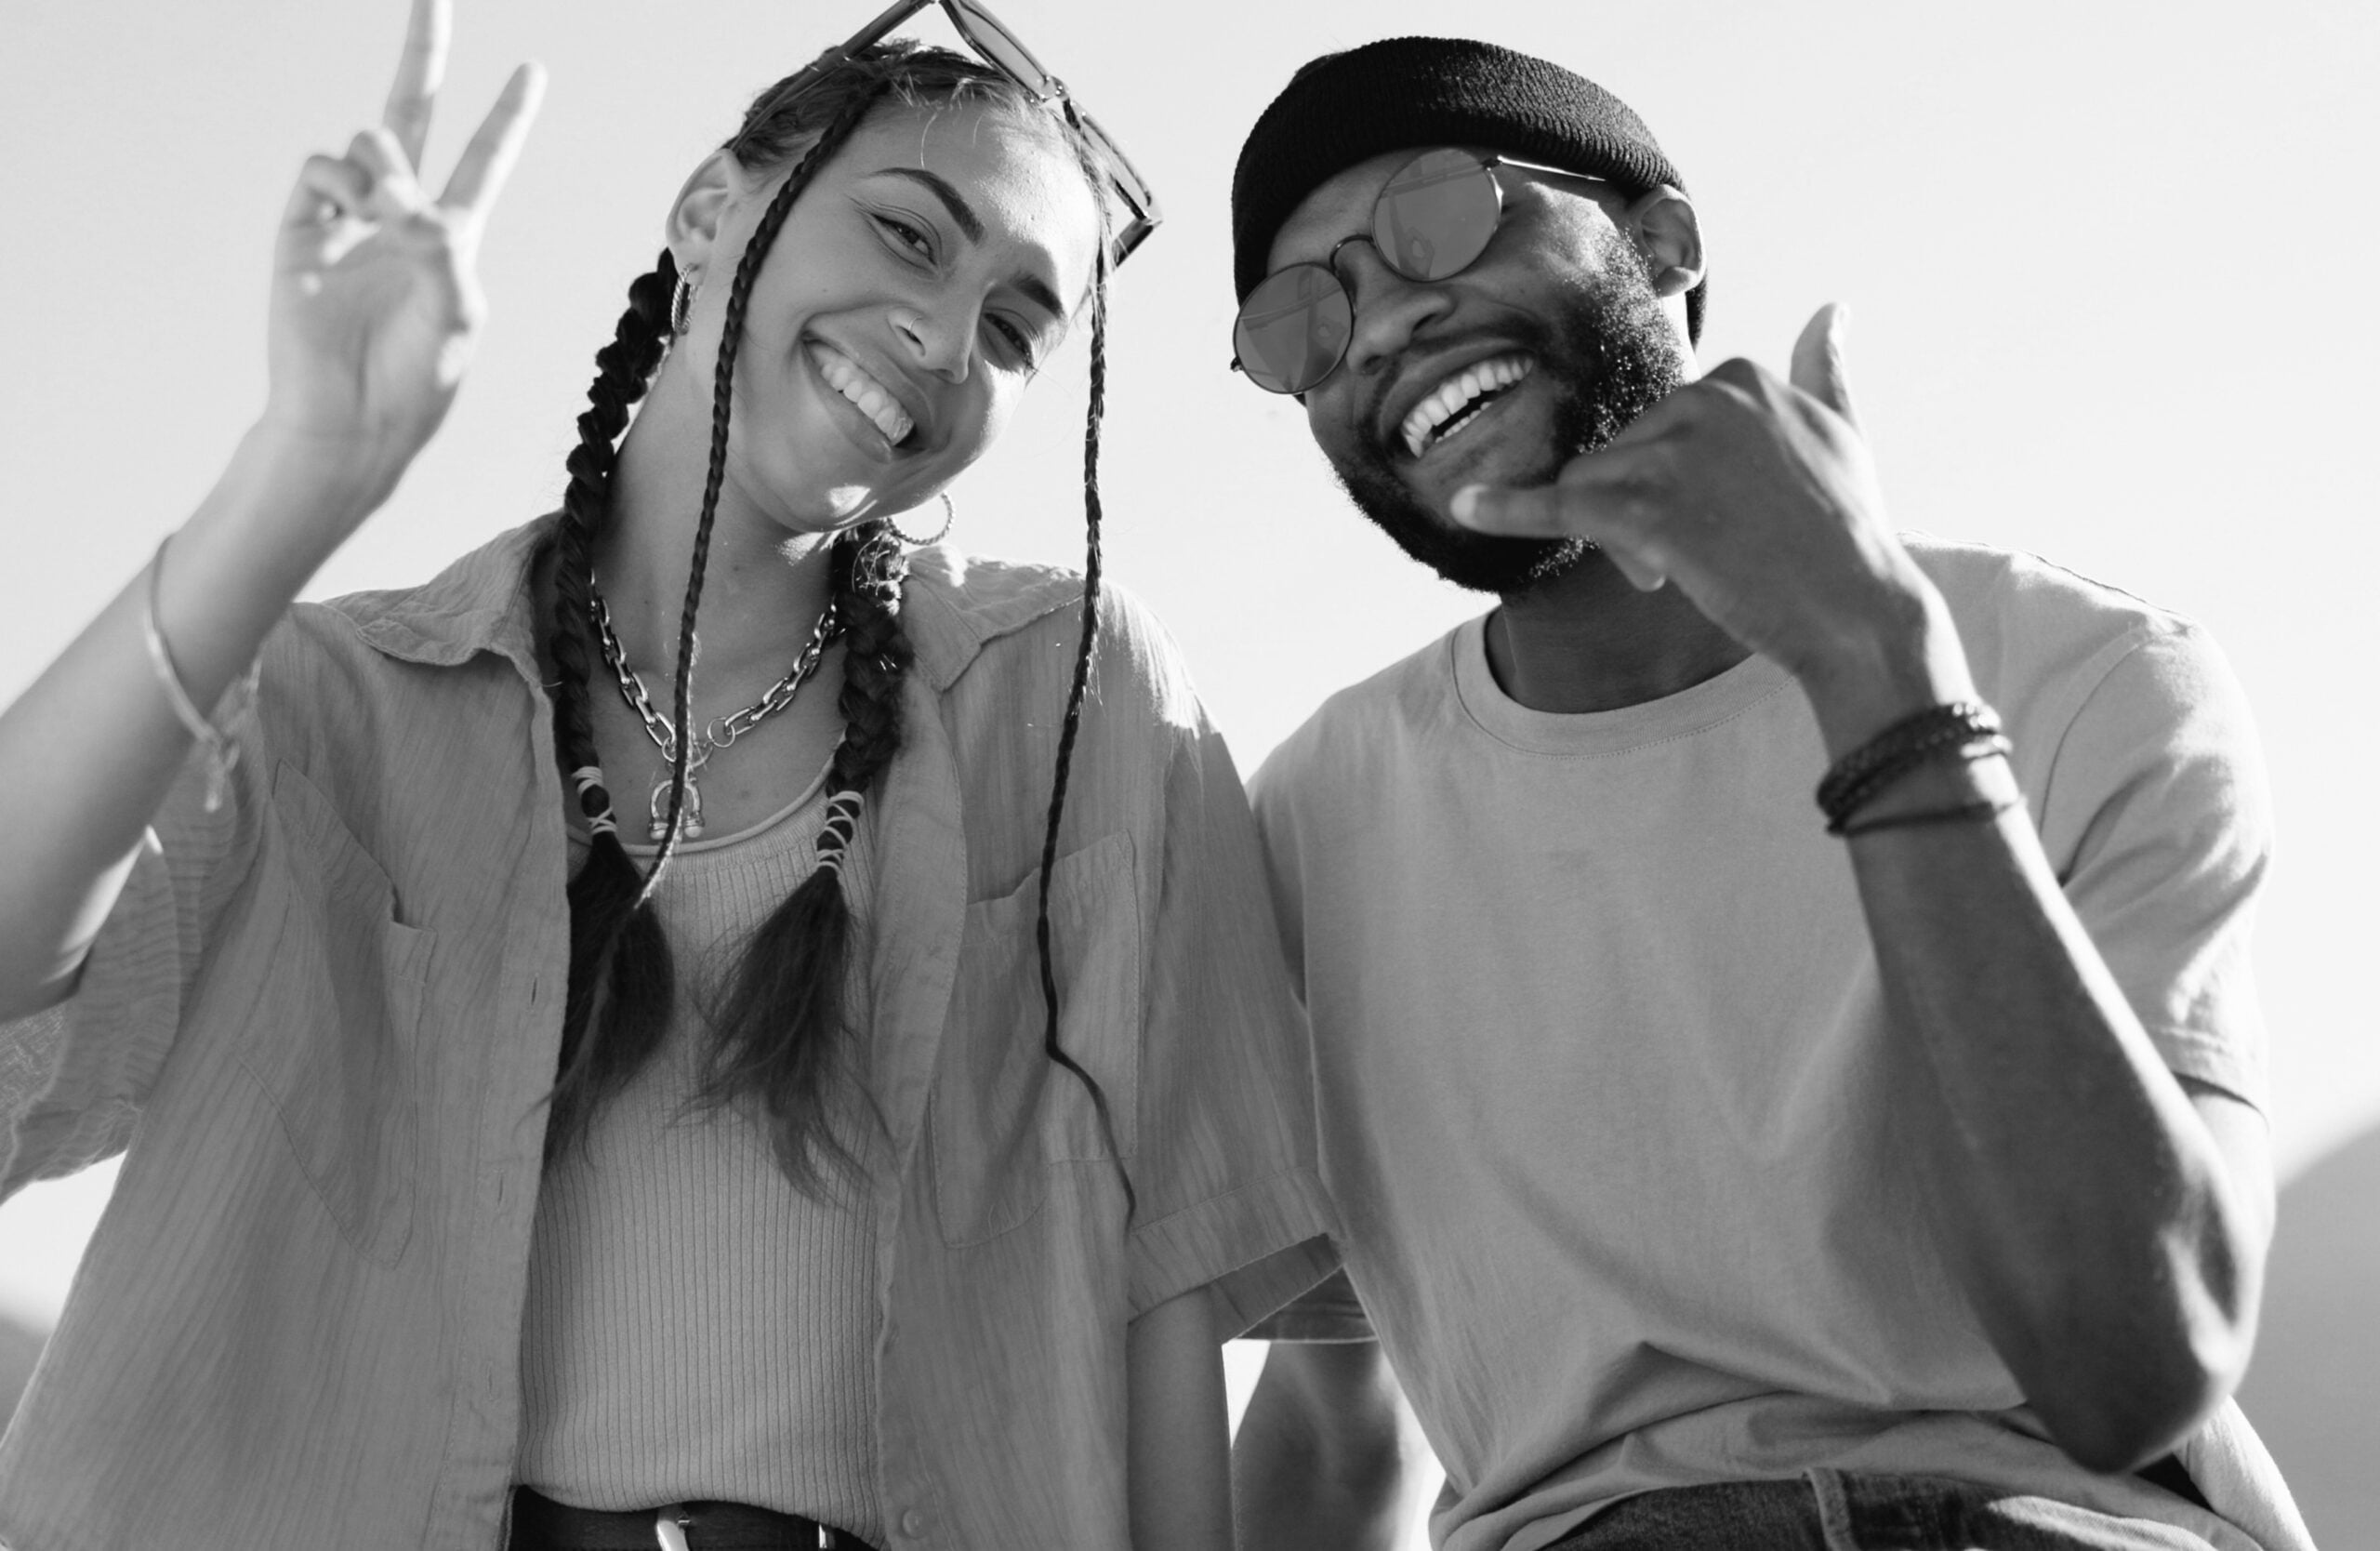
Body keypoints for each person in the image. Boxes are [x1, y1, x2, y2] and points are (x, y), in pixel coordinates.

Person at [0, 3, 1335, 1547]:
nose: (946, 338)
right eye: (909, 234)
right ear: (709, 209)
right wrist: (294, 480)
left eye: (1019, 326)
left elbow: (1163, 1288)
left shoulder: (1075, 697)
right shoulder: (331, 706)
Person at [1220, 35, 2311, 1551]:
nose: (1385, 320)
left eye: (1442, 216)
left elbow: (2138, 1361)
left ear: (1662, 243)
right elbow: (1336, 1422)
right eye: (1300, 317)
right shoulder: (1305, 827)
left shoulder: (2077, 672)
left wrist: (1872, 669)